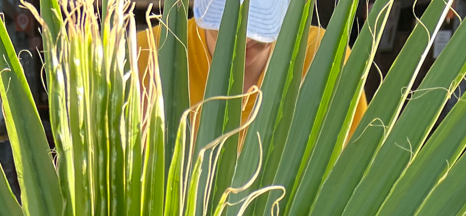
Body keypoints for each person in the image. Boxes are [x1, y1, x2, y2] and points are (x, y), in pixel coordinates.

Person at [138, 0, 367, 131]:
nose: (243, 38)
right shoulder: (145, 55)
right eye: (224, 21)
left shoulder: (327, 63)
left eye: (259, 22)